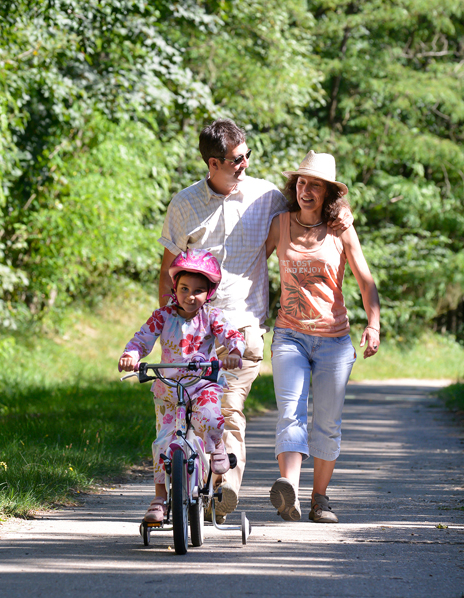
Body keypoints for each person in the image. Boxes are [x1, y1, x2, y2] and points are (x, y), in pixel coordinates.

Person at [158, 119, 353, 521]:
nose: (245, 163)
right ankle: (177, 491)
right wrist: (167, 326)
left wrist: (343, 212)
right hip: (191, 329)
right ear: (213, 163)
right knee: (182, 413)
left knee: (228, 409)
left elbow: (312, 209)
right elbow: (167, 271)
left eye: (247, 154)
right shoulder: (183, 205)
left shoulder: (267, 196)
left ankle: (224, 489)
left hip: (242, 325)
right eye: (237, 159)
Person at [265, 150, 381, 523]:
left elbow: (365, 280)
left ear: (329, 192)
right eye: (301, 183)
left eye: (315, 185)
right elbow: (250, 267)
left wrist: (374, 323)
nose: (306, 190)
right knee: (290, 414)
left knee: (327, 424)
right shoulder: (280, 224)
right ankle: (290, 493)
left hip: (334, 342)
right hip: (290, 336)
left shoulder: (341, 229)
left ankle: (319, 499)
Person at [119, 249, 245, 523]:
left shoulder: (211, 316)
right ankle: (160, 498)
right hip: (169, 389)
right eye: (184, 288)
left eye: (198, 291)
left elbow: (232, 335)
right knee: (163, 442)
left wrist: (234, 351)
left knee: (210, 418)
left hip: (202, 385)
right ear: (174, 288)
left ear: (209, 293)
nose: (190, 296)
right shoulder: (162, 316)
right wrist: (131, 355)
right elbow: (141, 339)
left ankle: (217, 446)